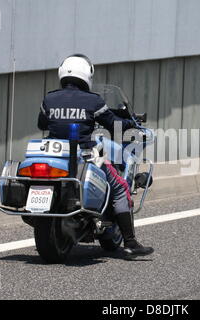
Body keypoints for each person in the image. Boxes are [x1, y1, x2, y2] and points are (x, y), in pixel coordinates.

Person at [38, 54, 154, 257]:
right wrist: (131, 122)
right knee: (119, 187)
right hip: (85, 154)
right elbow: (113, 124)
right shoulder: (93, 101)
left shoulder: (49, 98)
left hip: (54, 154)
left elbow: (41, 124)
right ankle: (130, 242)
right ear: (87, 74)